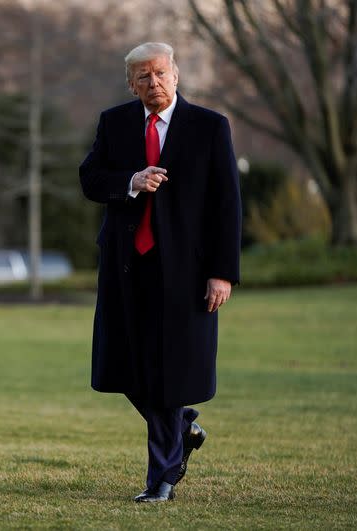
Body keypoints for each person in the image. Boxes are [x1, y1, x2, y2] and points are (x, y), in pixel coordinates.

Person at [79, 42, 241, 503]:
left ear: (176, 75)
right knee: (126, 368)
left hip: (187, 274)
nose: (154, 83)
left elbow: (227, 206)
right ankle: (183, 428)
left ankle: (162, 479)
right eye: (143, 77)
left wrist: (222, 272)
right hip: (126, 268)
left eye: (161, 73)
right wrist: (130, 181)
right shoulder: (115, 122)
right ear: (132, 84)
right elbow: (90, 178)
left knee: (171, 373)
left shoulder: (210, 127)